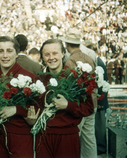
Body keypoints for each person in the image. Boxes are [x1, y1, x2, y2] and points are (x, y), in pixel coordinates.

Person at [33, 39, 94, 158]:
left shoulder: (76, 78)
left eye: (55, 53)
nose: (51, 57)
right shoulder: (38, 80)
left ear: (63, 53)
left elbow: (89, 108)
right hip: (44, 136)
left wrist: (68, 105)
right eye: (47, 54)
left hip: (67, 136)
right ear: (42, 57)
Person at [0, 36, 39, 158]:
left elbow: (37, 107)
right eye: (1, 51)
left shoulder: (28, 76)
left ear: (17, 53)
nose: (5, 55)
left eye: (9, 51)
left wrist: (16, 109)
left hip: (20, 137)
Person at [60, 28, 97, 158]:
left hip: (79, 104)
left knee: (75, 137)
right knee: (89, 138)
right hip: (92, 102)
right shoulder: (89, 57)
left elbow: (68, 85)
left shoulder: (69, 61)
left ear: (67, 44)